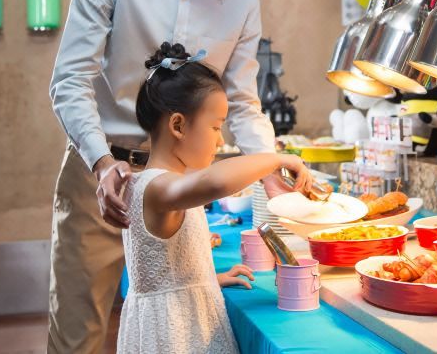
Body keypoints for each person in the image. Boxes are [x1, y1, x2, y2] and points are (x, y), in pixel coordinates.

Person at [47, 0, 292, 351]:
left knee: (172, 319)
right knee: (78, 335)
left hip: (177, 190)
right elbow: (69, 81)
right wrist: (101, 164)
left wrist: (271, 173)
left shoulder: (242, 1)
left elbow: (243, 103)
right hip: (101, 173)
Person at [116, 43, 313, 353]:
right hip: (173, 337)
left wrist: (208, 279)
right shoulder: (157, 187)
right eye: (215, 127)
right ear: (178, 125)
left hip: (181, 311)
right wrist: (277, 159)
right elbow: (216, 181)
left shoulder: (162, 183)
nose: (221, 140)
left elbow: (166, 277)